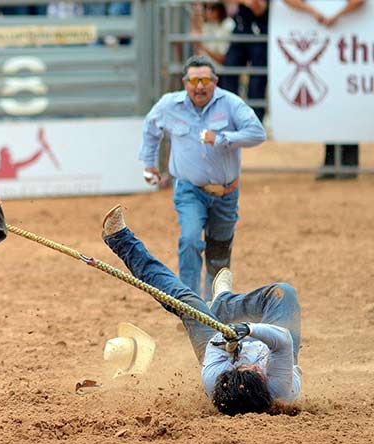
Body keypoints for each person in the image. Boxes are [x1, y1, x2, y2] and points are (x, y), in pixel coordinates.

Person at [101, 205, 302, 415]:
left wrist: (227, 342)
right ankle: (224, 303)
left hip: (220, 349)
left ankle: (120, 239)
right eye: (258, 371)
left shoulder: (214, 377)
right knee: (283, 293)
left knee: (185, 301)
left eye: (247, 368)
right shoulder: (280, 387)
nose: (255, 366)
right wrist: (247, 329)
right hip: (272, 345)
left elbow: (216, 343)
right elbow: (283, 339)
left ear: (230, 372)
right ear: (265, 384)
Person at [139, 54, 265, 300]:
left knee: (219, 254)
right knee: (190, 240)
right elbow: (150, 128)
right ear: (185, 82)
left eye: (205, 80)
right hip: (189, 190)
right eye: (194, 81)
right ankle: (190, 304)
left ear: (215, 82)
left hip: (226, 192)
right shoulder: (169, 105)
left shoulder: (231, 103)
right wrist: (149, 163)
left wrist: (223, 139)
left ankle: (215, 305)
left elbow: (257, 133)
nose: (199, 86)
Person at [283, 0, 366, 181]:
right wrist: (314, 12)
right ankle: (331, 161)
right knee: (329, 106)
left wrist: (334, 16)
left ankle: (348, 163)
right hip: (330, 49)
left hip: (351, 48)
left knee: (347, 104)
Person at [218, 0, 269, 122]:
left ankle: (255, 121)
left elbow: (259, 8)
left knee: (257, 79)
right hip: (240, 29)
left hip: (259, 31)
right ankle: (229, 117)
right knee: (229, 72)